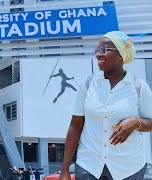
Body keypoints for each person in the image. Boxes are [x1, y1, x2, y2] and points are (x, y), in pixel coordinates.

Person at [59, 31, 152, 180]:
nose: (98, 54)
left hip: (128, 169)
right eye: (97, 49)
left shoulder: (138, 87)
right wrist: (64, 170)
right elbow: (75, 125)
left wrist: (136, 122)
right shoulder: (88, 84)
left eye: (104, 50)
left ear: (121, 54)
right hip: (89, 166)